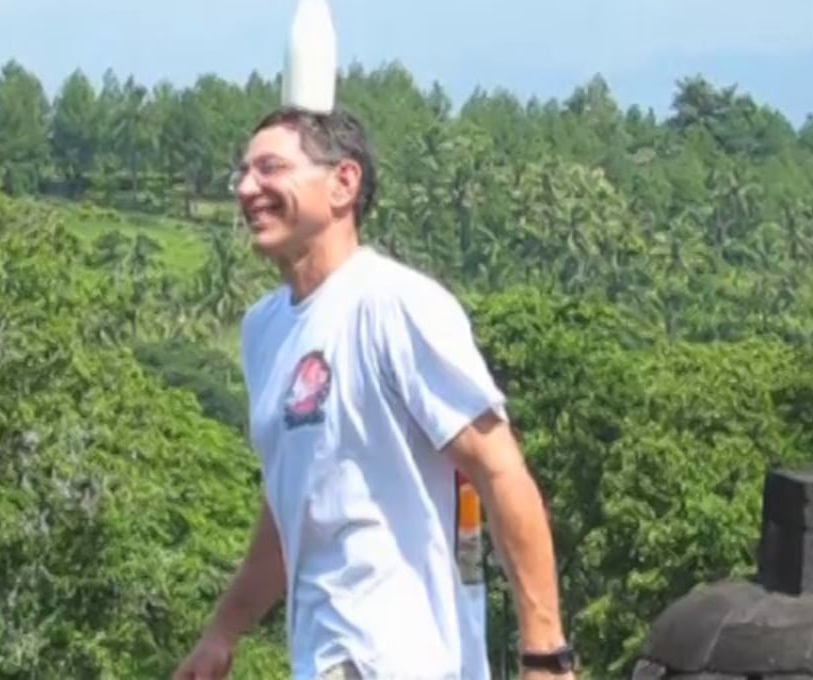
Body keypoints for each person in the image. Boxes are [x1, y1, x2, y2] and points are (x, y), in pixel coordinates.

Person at [173, 106, 578, 680]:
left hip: (403, 656)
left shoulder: (394, 305)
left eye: (270, 169)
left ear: (344, 182)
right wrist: (223, 632)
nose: (246, 189)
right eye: (242, 173)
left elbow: (498, 467)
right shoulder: (265, 329)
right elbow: (294, 504)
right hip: (322, 658)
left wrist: (545, 653)